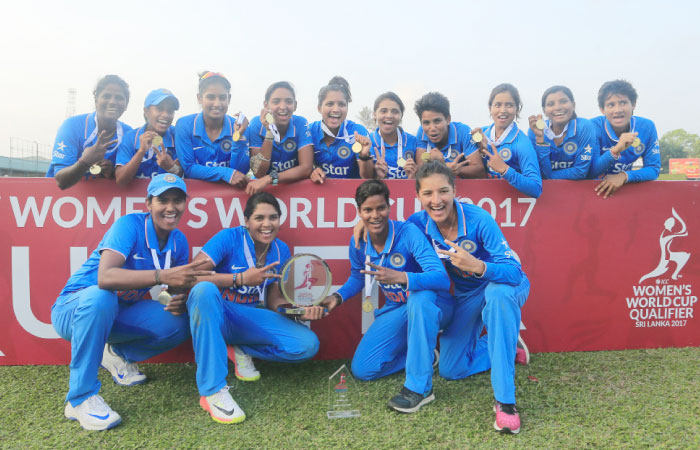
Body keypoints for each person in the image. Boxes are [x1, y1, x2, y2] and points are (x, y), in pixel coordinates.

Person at [50, 174, 211, 431]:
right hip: (75, 307)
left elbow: (169, 289)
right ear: (149, 203)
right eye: (163, 200)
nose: (171, 207)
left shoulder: (178, 240)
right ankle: (80, 399)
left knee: (181, 320)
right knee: (101, 296)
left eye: (178, 200)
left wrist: (177, 298)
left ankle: (115, 354)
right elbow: (105, 277)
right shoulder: (129, 225)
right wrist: (161, 276)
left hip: (119, 312)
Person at [408, 161, 530, 434]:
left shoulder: (478, 218)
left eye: (443, 191)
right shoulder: (417, 224)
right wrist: (363, 225)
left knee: (498, 296)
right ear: (418, 196)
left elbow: (513, 271)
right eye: (428, 194)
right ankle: (507, 347)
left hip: (503, 284)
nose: (436, 200)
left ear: (454, 191)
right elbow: (391, 236)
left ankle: (506, 404)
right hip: (468, 294)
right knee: (451, 368)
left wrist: (480, 266)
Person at [186, 192, 321, 424]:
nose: (267, 224)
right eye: (259, 218)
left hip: (250, 318)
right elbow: (190, 276)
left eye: (273, 217)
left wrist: (297, 310)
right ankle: (212, 392)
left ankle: (241, 349)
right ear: (246, 221)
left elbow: (274, 301)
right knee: (203, 290)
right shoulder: (228, 238)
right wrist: (238, 279)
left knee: (307, 345)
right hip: (219, 315)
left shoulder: (281, 250)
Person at [321, 180, 451, 413]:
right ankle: (423, 355)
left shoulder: (408, 232)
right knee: (363, 369)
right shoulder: (358, 241)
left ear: (389, 206)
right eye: (368, 210)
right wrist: (337, 297)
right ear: (359, 211)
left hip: (433, 305)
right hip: (397, 308)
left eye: (380, 208)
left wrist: (403, 277)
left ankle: (419, 387)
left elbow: (440, 277)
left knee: (419, 300)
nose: (375, 215)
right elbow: (358, 276)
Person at [47, 75, 133, 189]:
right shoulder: (72, 126)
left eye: (119, 98)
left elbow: (129, 179)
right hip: (61, 200)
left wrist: (112, 173)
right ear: (96, 100)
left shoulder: (129, 134)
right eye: (106, 96)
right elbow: (61, 182)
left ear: (126, 104)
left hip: (106, 203)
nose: (112, 102)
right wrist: (85, 162)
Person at [175, 71, 249, 189]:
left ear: (229, 99)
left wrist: (238, 138)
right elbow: (189, 168)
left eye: (222, 97)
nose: (217, 103)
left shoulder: (238, 126)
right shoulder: (184, 125)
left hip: (229, 199)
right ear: (199, 98)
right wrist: (225, 172)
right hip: (195, 197)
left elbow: (239, 173)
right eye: (210, 97)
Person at [589, 79, 660, 198]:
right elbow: (592, 171)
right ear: (602, 109)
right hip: (594, 191)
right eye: (611, 105)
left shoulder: (647, 127)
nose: (618, 110)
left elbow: (653, 169)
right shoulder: (592, 127)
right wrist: (615, 150)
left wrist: (624, 176)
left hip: (624, 192)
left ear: (633, 104)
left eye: (623, 103)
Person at [473, 83, 542, 198]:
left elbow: (536, 188)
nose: (503, 110)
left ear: (517, 109)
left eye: (509, 105)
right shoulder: (480, 135)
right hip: (483, 203)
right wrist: (482, 150)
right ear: (490, 108)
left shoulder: (522, 143)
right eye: (498, 105)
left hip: (512, 208)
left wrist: (505, 170)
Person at [245, 81, 314, 194]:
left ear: (295, 105)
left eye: (288, 101)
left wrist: (270, 178)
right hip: (263, 191)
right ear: (266, 105)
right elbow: (259, 173)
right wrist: (269, 132)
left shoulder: (300, 123)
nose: (283, 107)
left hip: (294, 189)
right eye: (276, 101)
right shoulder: (256, 124)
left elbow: (306, 168)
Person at [309, 76, 373, 183]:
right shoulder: (309, 131)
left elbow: (368, 177)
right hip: (318, 198)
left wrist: (364, 156)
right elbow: (301, 167)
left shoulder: (357, 132)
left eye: (342, 104)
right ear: (319, 108)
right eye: (330, 104)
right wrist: (311, 171)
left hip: (351, 197)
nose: (336, 109)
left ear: (347, 108)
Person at [527, 85, 598, 180]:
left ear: (573, 105)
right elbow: (538, 172)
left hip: (579, 191)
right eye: (551, 104)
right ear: (544, 111)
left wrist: (548, 177)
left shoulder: (584, 126)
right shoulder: (534, 131)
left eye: (563, 102)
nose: (558, 107)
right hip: (546, 192)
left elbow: (581, 172)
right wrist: (540, 140)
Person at [115, 89, 183, 185]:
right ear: (146, 112)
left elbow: (186, 175)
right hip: (136, 199)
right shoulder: (130, 137)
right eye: (159, 109)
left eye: (170, 111)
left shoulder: (178, 136)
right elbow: (121, 181)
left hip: (165, 199)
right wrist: (141, 152)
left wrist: (172, 168)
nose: (165, 115)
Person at [414, 92, 484, 179]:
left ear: (448, 119)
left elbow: (480, 171)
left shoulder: (463, 131)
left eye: (437, 121)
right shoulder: (422, 132)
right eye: (426, 123)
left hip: (463, 190)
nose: (432, 128)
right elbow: (421, 172)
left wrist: (451, 168)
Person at [368, 92, 418, 179]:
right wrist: (377, 177)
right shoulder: (368, 143)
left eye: (395, 112)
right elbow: (364, 178)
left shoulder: (413, 142)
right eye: (383, 111)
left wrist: (413, 178)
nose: (389, 116)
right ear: (375, 115)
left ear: (401, 115)